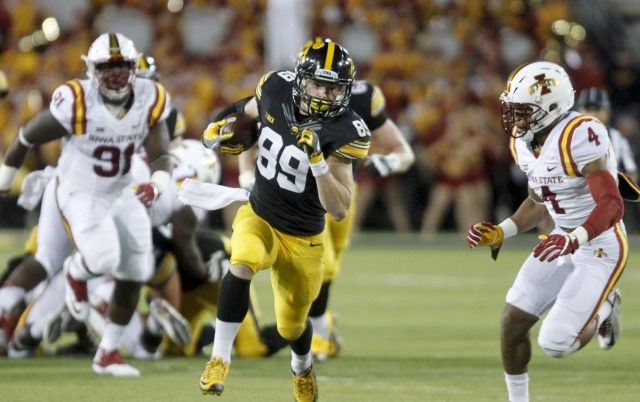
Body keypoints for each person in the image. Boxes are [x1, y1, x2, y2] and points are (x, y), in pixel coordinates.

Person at [198, 40, 370, 401]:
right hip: (260, 215)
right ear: (300, 80)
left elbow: (339, 209)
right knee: (241, 262)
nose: (324, 94)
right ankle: (219, 359)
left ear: (345, 89)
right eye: (317, 84)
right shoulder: (275, 88)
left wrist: (319, 162)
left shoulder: (347, 130)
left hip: (304, 237)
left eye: (333, 87)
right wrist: (217, 127)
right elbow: (243, 111)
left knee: (291, 326)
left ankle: (302, 366)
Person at [0, 32, 173, 376]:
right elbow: (26, 135)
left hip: (123, 189)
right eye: (106, 68)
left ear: (134, 67)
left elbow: (161, 150)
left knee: (136, 268)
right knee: (94, 257)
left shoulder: (150, 97)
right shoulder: (77, 100)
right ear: (91, 70)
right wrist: (4, 181)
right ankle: (71, 276)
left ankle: (108, 352)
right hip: (79, 189)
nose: (115, 75)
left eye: (122, 66)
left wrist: (158, 183)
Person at [467, 61, 627, 402]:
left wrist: (574, 238)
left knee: (555, 343)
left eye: (523, 111)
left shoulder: (580, 133)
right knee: (512, 322)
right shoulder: (525, 143)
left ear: (551, 108)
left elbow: (613, 204)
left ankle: (605, 305)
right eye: (513, 110)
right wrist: (502, 231)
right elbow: (539, 201)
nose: (514, 119)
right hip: (560, 241)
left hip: (599, 244)